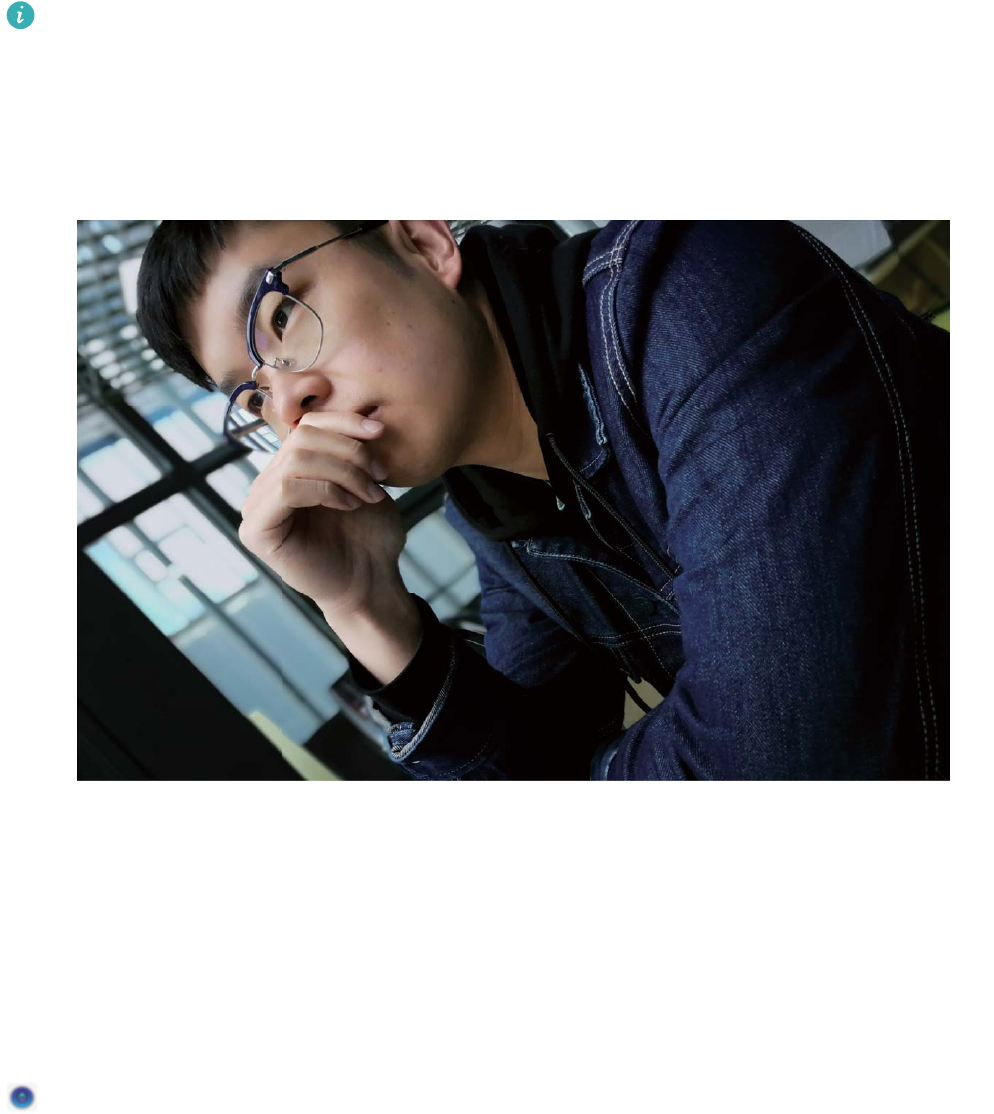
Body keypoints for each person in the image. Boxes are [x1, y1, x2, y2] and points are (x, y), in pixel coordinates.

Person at [136, 220, 949, 780]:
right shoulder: (495, 510)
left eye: (283, 316)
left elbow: (779, 773)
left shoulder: (690, 287)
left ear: (422, 243)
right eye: (251, 397)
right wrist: (363, 607)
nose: (288, 403)